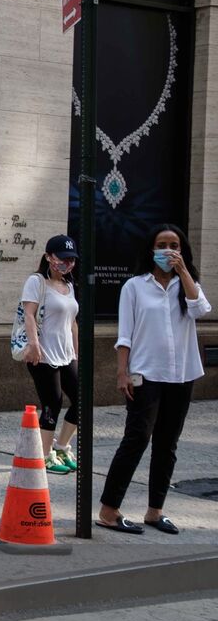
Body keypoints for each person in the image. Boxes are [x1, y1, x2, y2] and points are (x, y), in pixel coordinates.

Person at [97, 224, 210, 537]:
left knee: (167, 444)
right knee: (136, 439)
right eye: (162, 245)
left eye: (174, 245)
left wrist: (184, 271)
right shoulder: (135, 286)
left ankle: (155, 511)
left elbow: (201, 309)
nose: (168, 250)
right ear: (151, 249)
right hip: (145, 374)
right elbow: (125, 334)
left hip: (182, 374)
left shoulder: (187, 284)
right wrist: (122, 372)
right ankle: (108, 511)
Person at [20, 235, 82, 475]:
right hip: (42, 354)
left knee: (81, 400)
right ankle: (45, 455)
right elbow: (28, 315)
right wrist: (34, 345)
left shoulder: (69, 285)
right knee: (52, 403)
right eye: (62, 258)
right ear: (48, 257)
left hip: (65, 354)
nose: (67, 264)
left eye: (71, 259)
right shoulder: (36, 282)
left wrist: (76, 354)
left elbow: (73, 323)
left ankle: (62, 446)